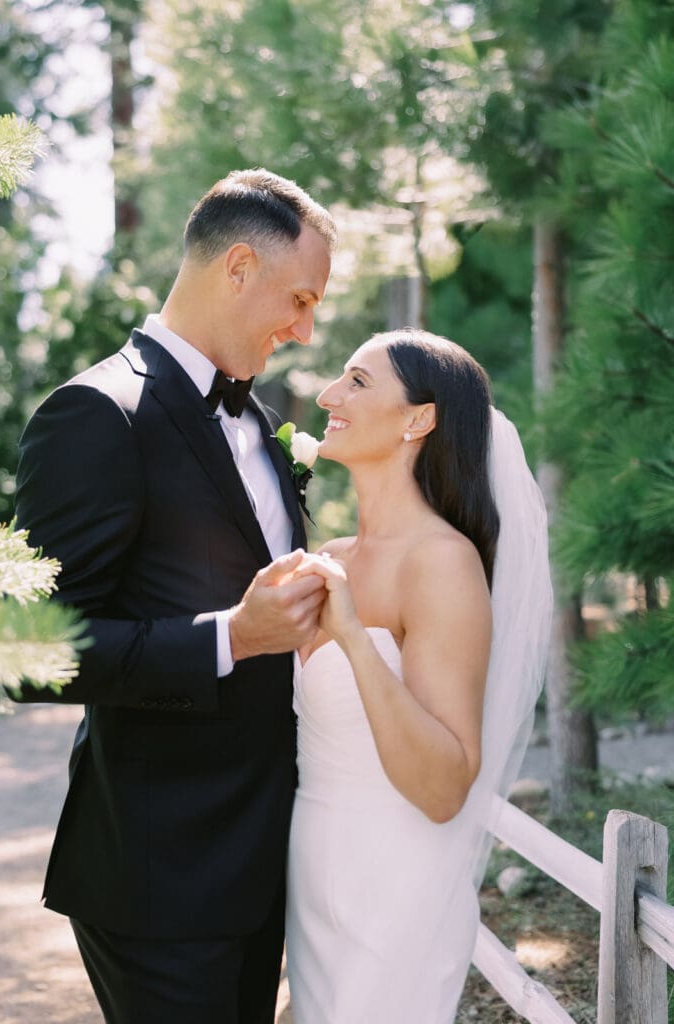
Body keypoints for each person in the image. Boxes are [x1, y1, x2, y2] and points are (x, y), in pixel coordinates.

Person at [11, 168, 337, 1024]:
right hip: (161, 880)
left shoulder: (263, 425)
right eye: (299, 300)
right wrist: (231, 634)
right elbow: (32, 651)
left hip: (265, 863)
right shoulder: (95, 415)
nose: (305, 331)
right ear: (238, 267)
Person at [284, 328, 552, 1023]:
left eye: (357, 381)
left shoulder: (442, 562)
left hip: (397, 888)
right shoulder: (332, 555)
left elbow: (443, 789)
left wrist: (351, 637)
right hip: (312, 876)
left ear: (419, 419)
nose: (327, 395)